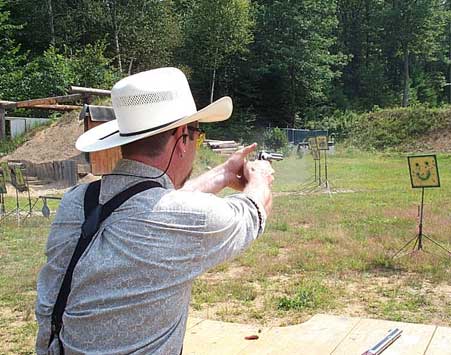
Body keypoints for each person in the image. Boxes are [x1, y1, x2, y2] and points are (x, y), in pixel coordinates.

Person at [35, 67, 274, 354]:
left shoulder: (75, 201)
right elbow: (253, 211)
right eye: (195, 136)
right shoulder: (185, 217)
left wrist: (222, 175)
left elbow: (147, 206)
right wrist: (260, 176)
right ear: (181, 138)